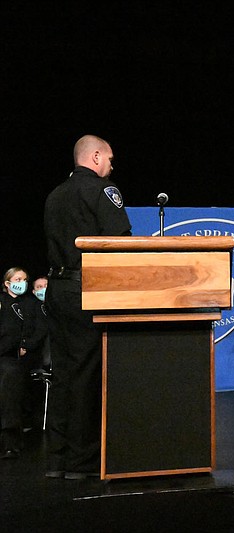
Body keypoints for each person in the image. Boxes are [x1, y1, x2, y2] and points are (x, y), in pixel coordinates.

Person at [43, 135, 132, 478]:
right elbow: (120, 243)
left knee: (63, 375)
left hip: (57, 290)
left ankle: (57, 459)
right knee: (85, 375)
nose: (111, 166)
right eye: (109, 159)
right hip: (87, 292)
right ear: (95, 157)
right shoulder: (101, 190)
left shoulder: (55, 194)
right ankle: (83, 462)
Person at [0, 267, 45, 459]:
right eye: (18, 279)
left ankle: (11, 442)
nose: (22, 283)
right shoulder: (2, 302)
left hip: (17, 357)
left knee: (10, 381)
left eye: (25, 279)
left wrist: (26, 344)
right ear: (7, 283)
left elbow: (39, 328)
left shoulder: (30, 304)